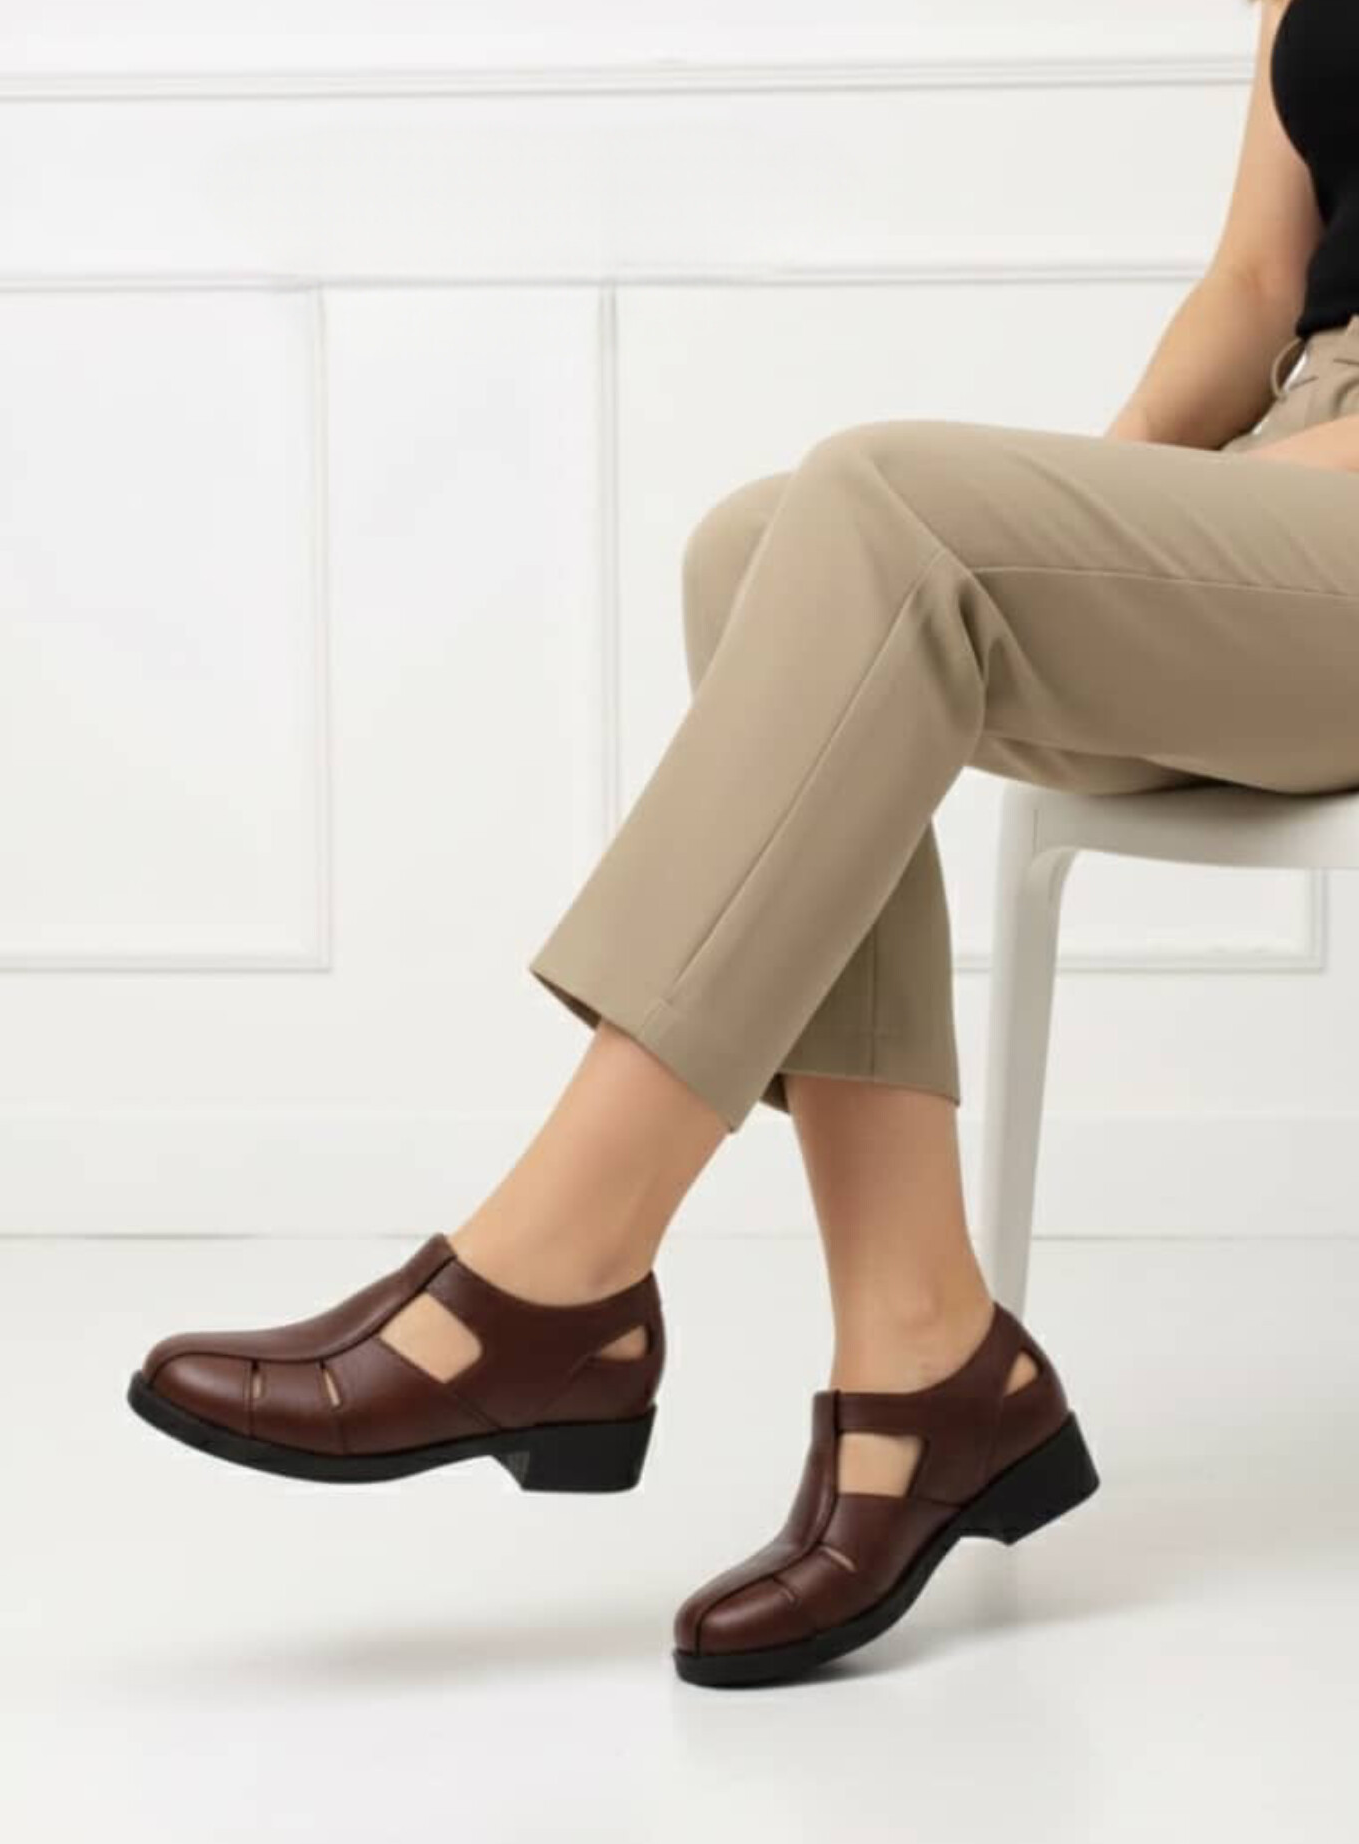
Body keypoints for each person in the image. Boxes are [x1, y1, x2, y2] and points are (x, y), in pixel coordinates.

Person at [127, 0, 1359, 1687]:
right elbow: (1255, 282)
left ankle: (552, 1273)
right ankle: (926, 1356)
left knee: (879, 506)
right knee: (775, 549)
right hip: (1294, 481)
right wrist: (1118, 508)